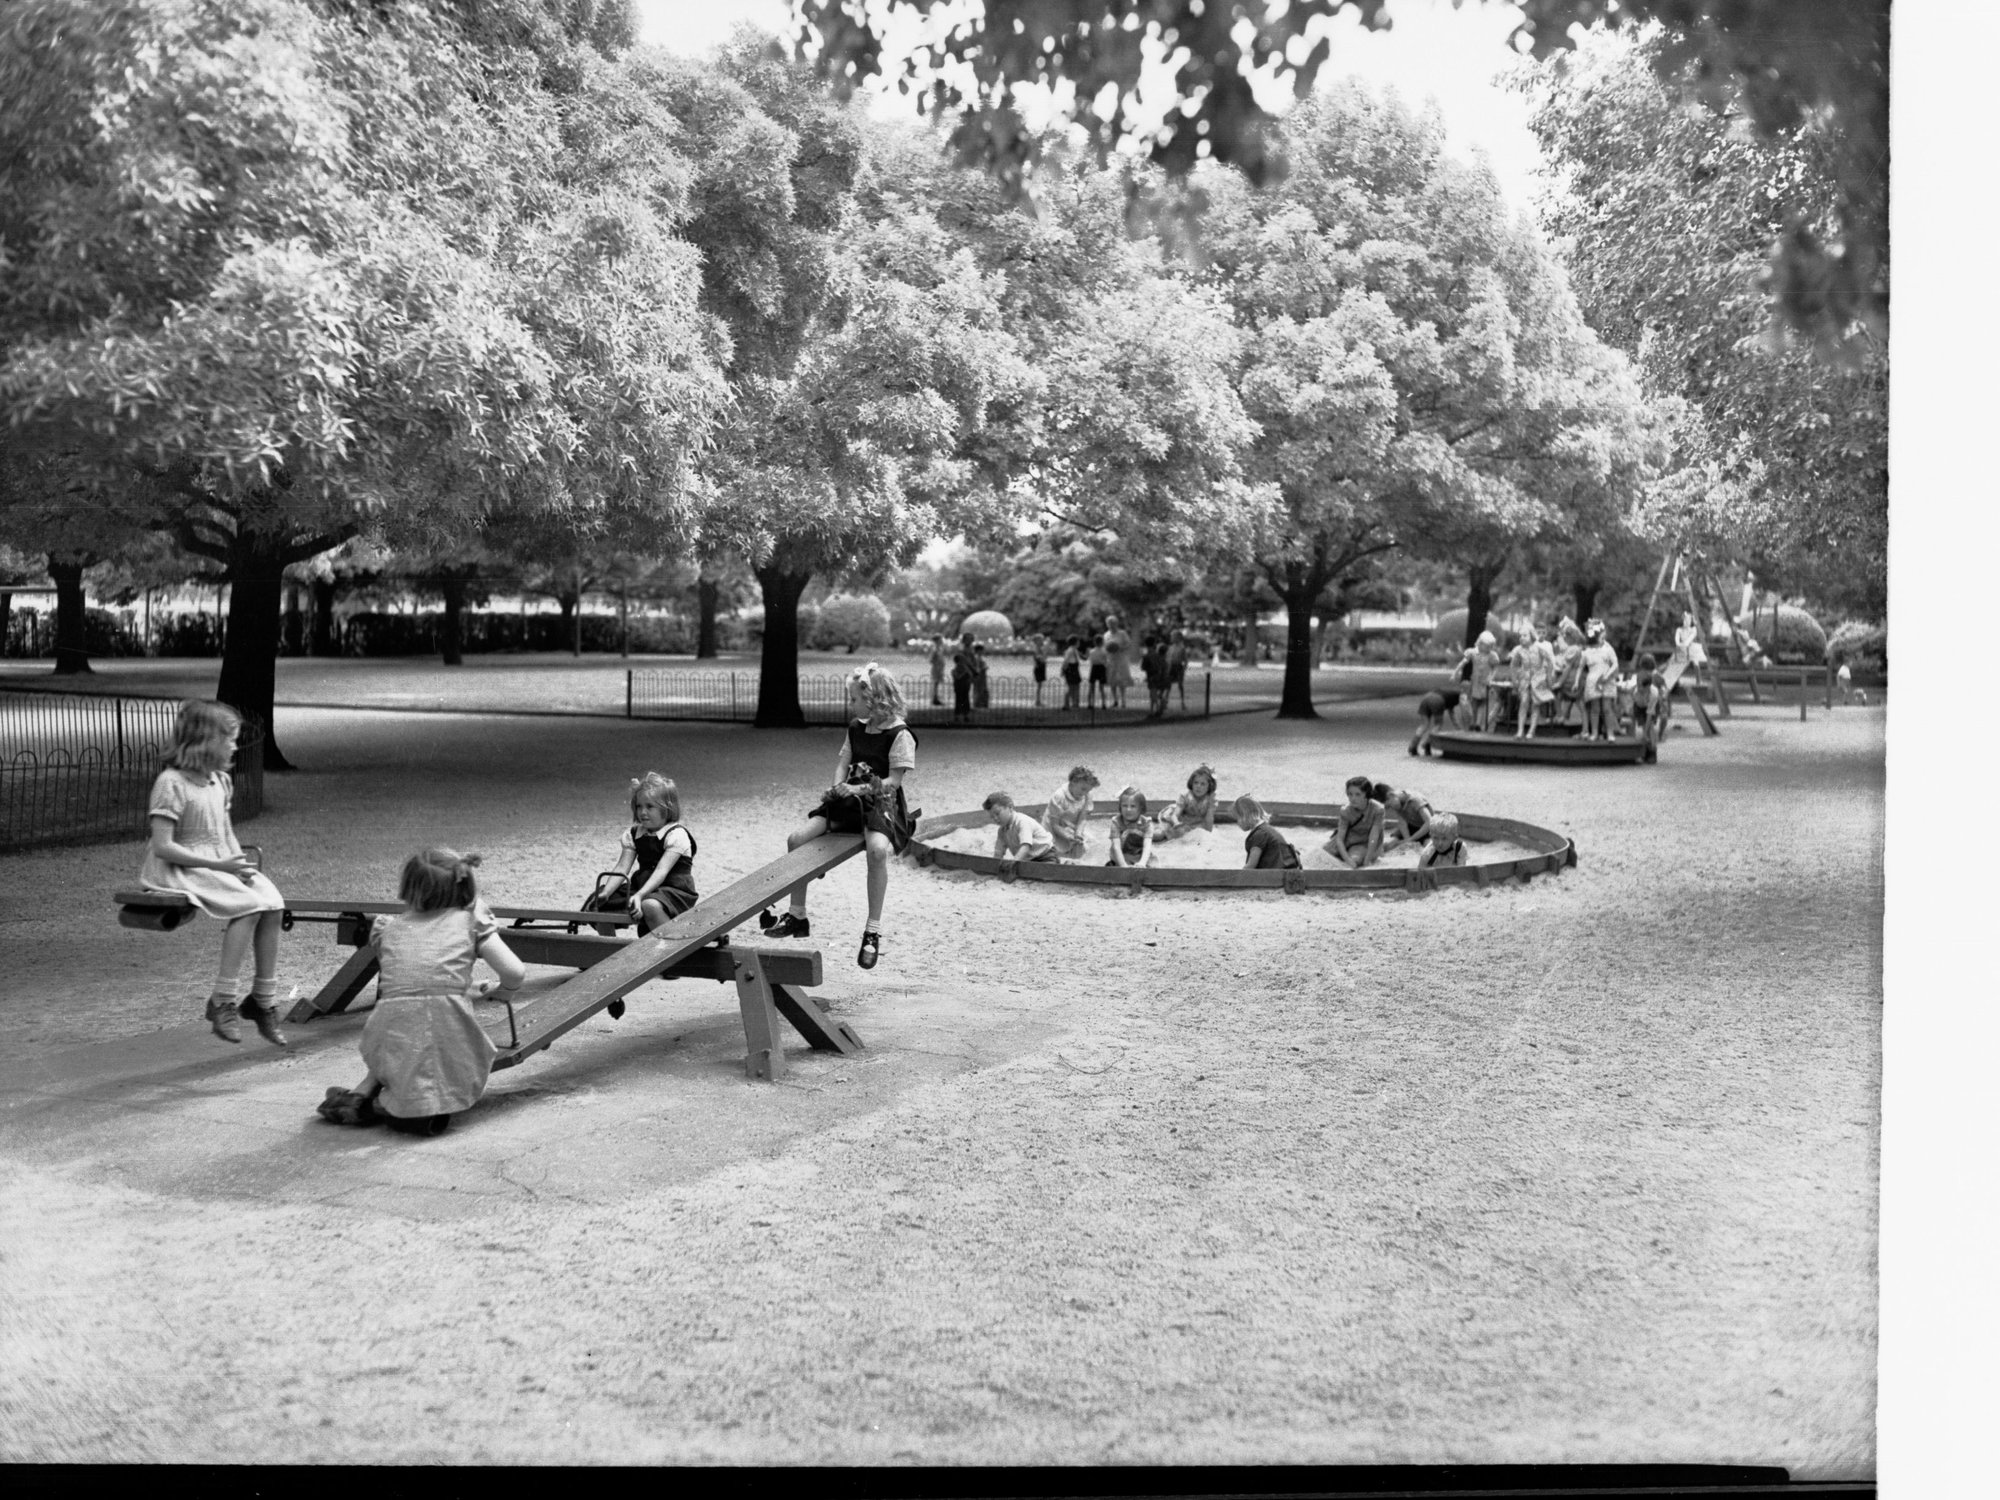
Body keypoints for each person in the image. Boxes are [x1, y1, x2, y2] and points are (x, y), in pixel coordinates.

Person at [315, 847, 527, 1136]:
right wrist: (506, 991)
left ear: (409, 888)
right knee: (432, 1044)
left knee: (406, 1024)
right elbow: (514, 972)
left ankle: (362, 1093)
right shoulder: (470, 921)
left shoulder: (389, 928)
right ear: (465, 886)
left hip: (385, 1034)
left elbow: (420, 979)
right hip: (446, 1033)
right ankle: (388, 1108)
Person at [139, 700, 289, 1046]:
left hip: (219, 860)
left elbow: (224, 832)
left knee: (272, 902)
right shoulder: (171, 782)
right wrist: (220, 867)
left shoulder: (219, 781)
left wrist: (237, 864)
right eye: (230, 739)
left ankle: (262, 1000)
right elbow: (163, 846)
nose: (235, 746)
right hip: (177, 868)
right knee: (247, 907)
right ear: (206, 741)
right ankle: (223, 1000)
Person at [758, 663, 917, 970]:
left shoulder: (900, 734)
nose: (851, 704)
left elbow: (893, 782)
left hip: (880, 803)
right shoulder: (856, 727)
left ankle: (872, 931)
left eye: (854, 698)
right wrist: (836, 788)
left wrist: (855, 792)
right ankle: (798, 916)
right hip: (848, 799)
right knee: (797, 839)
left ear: (874, 699)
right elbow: (843, 762)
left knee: (876, 851)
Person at [591, 772, 697, 1018]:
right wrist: (606, 892)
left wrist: (638, 896)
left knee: (650, 905)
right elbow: (621, 868)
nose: (643, 812)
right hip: (642, 885)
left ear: (667, 809)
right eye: (639, 806)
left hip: (673, 889)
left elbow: (661, 872)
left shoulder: (676, 835)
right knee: (597, 904)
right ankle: (609, 954)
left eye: (650, 806)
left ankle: (671, 956)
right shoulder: (635, 833)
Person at [984, 792, 1060, 866]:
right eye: (992, 817)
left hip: (1045, 855)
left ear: (1010, 807)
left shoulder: (1022, 822)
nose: (995, 818)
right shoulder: (1001, 831)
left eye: (997, 813)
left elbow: (1026, 846)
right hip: (1027, 860)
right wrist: (994, 866)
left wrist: (1013, 862)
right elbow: (998, 852)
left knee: (1046, 872)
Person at [1326, 775, 1383, 868]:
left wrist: (1367, 860)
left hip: (1364, 843)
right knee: (1322, 855)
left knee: (1355, 860)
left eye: (1358, 794)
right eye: (1350, 794)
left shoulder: (1377, 810)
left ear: (1366, 795)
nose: (1353, 798)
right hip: (1347, 841)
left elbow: (1374, 837)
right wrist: (1347, 859)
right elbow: (1340, 839)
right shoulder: (1345, 811)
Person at [1043, 764, 1098, 859]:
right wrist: (1068, 836)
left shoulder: (1087, 795)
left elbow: (1082, 818)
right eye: (1083, 789)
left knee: (1088, 844)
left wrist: (1078, 833)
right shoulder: (1059, 796)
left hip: (1071, 825)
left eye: (1088, 790)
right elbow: (1054, 825)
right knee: (1057, 851)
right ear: (1073, 782)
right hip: (1055, 828)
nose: (1085, 793)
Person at [1234, 794, 1300, 870]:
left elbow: (1250, 866)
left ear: (1245, 816)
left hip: (1274, 878)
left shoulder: (1259, 834)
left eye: (1237, 818)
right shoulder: (1267, 829)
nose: (1237, 823)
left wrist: (1234, 880)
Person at [1369, 781, 1435, 856]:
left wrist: (1411, 839)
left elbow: (1429, 822)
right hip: (1411, 826)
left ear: (1391, 795)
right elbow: (1401, 822)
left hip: (1428, 829)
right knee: (1390, 844)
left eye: (1389, 806)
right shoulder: (1396, 802)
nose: (1390, 809)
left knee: (1429, 847)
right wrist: (1407, 841)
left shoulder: (1415, 800)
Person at [1158, 763, 1220, 840]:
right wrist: (1176, 823)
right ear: (1191, 783)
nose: (1198, 786)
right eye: (1196, 782)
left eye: (1203, 784)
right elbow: (1175, 815)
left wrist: (1208, 835)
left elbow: (1209, 819)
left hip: (1197, 823)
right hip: (1180, 821)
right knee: (1161, 835)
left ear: (1209, 786)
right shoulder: (1186, 796)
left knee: (1200, 837)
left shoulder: (1211, 799)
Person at [1581, 620, 1620, 740]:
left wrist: (1607, 675)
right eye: (1601, 635)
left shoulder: (1608, 648)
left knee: (1607, 708)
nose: (1604, 636)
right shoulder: (1588, 650)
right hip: (1594, 681)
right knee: (1595, 708)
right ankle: (1594, 732)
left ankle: (1610, 733)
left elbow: (1615, 664)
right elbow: (1582, 666)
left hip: (1606, 680)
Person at [1519, 623, 1557, 739]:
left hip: (1539, 678)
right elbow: (1514, 664)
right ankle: (1520, 730)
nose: (1521, 638)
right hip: (1525, 679)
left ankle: (1531, 730)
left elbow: (1550, 661)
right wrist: (1516, 677)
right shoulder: (1520, 649)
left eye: (1524, 635)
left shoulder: (1543, 647)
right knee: (1524, 702)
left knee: (1536, 704)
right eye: (1520, 636)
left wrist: (1549, 676)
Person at [1104, 786, 1153, 868]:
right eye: (1125, 806)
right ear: (1120, 807)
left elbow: (1147, 846)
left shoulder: (1146, 823)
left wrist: (1142, 863)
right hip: (1121, 857)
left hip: (1140, 856)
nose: (1128, 810)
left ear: (1141, 808)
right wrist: (1123, 865)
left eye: (1133, 806)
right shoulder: (1116, 822)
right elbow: (1116, 847)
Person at [1409, 686, 1460, 757]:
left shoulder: (1450, 694)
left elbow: (1452, 713)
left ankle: (1413, 747)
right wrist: (1460, 729)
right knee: (1438, 724)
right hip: (1437, 700)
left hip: (1426, 697)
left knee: (1424, 725)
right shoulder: (1459, 697)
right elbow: (1452, 715)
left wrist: (1458, 728)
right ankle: (1427, 744)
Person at [1468, 630, 1501, 733]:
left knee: (1483, 702)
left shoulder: (1492, 655)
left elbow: (1495, 667)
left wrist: (1491, 677)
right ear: (1480, 644)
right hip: (1475, 681)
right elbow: (1467, 659)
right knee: (1474, 702)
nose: (1488, 648)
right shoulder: (1475, 653)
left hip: (1485, 682)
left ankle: (1478, 723)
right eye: (1486, 646)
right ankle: (1473, 721)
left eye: (1490, 646)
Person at [1103, 615, 1133, 708]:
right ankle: (1115, 700)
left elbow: (1128, 644)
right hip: (1111, 660)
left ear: (1116, 623)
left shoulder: (1122, 633)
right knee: (1112, 681)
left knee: (1121, 681)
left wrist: (1120, 648)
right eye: (1109, 623)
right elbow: (1105, 647)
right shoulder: (1106, 635)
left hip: (1121, 659)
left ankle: (1123, 700)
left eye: (1113, 623)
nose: (1111, 625)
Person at [1141, 636, 1170, 718]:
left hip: (1151, 676)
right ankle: (1159, 707)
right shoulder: (1158, 655)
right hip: (1160, 676)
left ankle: (1155, 710)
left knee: (1152, 695)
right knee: (1156, 694)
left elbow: (1143, 667)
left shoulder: (1146, 656)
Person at [950, 632, 976, 722]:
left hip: (967, 675)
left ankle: (965, 714)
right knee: (959, 696)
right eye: (968, 639)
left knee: (965, 696)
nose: (970, 641)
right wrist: (973, 670)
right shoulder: (962, 650)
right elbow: (963, 661)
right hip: (961, 674)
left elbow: (972, 662)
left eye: (971, 639)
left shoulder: (971, 650)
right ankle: (958, 714)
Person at [1166, 629, 1190, 710]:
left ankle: (1182, 702)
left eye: (1172, 636)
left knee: (1180, 685)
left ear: (1177, 637)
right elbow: (1168, 658)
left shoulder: (1182, 648)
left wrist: (1183, 669)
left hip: (1178, 667)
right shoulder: (1170, 648)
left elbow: (1186, 660)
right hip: (1171, 667)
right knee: (1168, 685)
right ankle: (1166, 701)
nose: (1171, 638)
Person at [1060, 634, 1083, 710]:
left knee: (1076, 687)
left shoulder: (1075, 650)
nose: (1079, 643)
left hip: (1075, 668)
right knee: (1071, 688)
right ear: (1075, 642)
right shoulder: (1070, 650)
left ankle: (1075, 703)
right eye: (1078, 641)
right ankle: (1066, 704)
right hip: (1071, 669)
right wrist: (1062, 670)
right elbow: (1065, 661)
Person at [1086, 633, 1109, 709]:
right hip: (1101, 668)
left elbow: (1091, 660)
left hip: (1094, 668)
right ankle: (1103, 703)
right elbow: (1106, 661)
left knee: (1091, 687)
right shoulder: (1104, 651)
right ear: (1102, 642)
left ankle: (1090, 703)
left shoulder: (1092, 651)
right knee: (1101, 688)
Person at [971, 640, 991, 709]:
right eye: (982, 650)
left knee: (981, 690)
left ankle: (981, 703)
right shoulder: (977, 658)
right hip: (980, 677)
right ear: (978, 651)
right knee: (979, 690)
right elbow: (977, 668)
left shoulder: (979, 658)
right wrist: (984, 668)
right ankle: (979, 704)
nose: (983, 652)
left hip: (982, 677)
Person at [927, 634, 947, 707]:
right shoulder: (934, 649)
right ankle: (934, 699)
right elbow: (931, 660)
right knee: (935, 683)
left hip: (940, 669)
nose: (942, 641)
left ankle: (936, 698)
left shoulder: (940, 649)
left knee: (937, 684)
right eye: (940, 639)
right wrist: (937, 664)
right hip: (936, 669)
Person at [1030, 635, 1049, 707]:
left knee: (1040, 685)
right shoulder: (1036, 649)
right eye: (1041, 640)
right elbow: (1041, 658)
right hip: (1039, 668)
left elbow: (1044, 658)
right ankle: (1037, 701)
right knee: (1039, 685)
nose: (1043, 641)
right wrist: (1045, 651)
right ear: (1037, 641)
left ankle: (1038, 701)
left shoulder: (1039, 648)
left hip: (1041, 667)